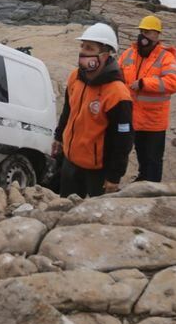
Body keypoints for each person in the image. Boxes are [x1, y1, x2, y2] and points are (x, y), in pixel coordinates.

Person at [52, 23, 134, 197]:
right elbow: (68, 110)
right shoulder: (75, 77)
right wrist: (59, 137)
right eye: (82, 46)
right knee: (65, 206)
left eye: (89, 48)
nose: (82, 52)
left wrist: (114, 176)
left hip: (97, 170)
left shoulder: (117, 94)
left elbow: (124, 140)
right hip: (70, 160)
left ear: (105, 54)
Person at [118, 15, 176, 182]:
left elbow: (172, 83)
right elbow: (117, 75)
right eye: (142, 31)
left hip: (154, 121)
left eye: (148, 32)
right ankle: (142, 178)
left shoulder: (166, 57)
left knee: (153, 158)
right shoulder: (129, 53)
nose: (143, 35)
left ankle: (152, 188)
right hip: (133, 117)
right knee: (141, 153)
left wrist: (145, 83)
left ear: (157, 35)